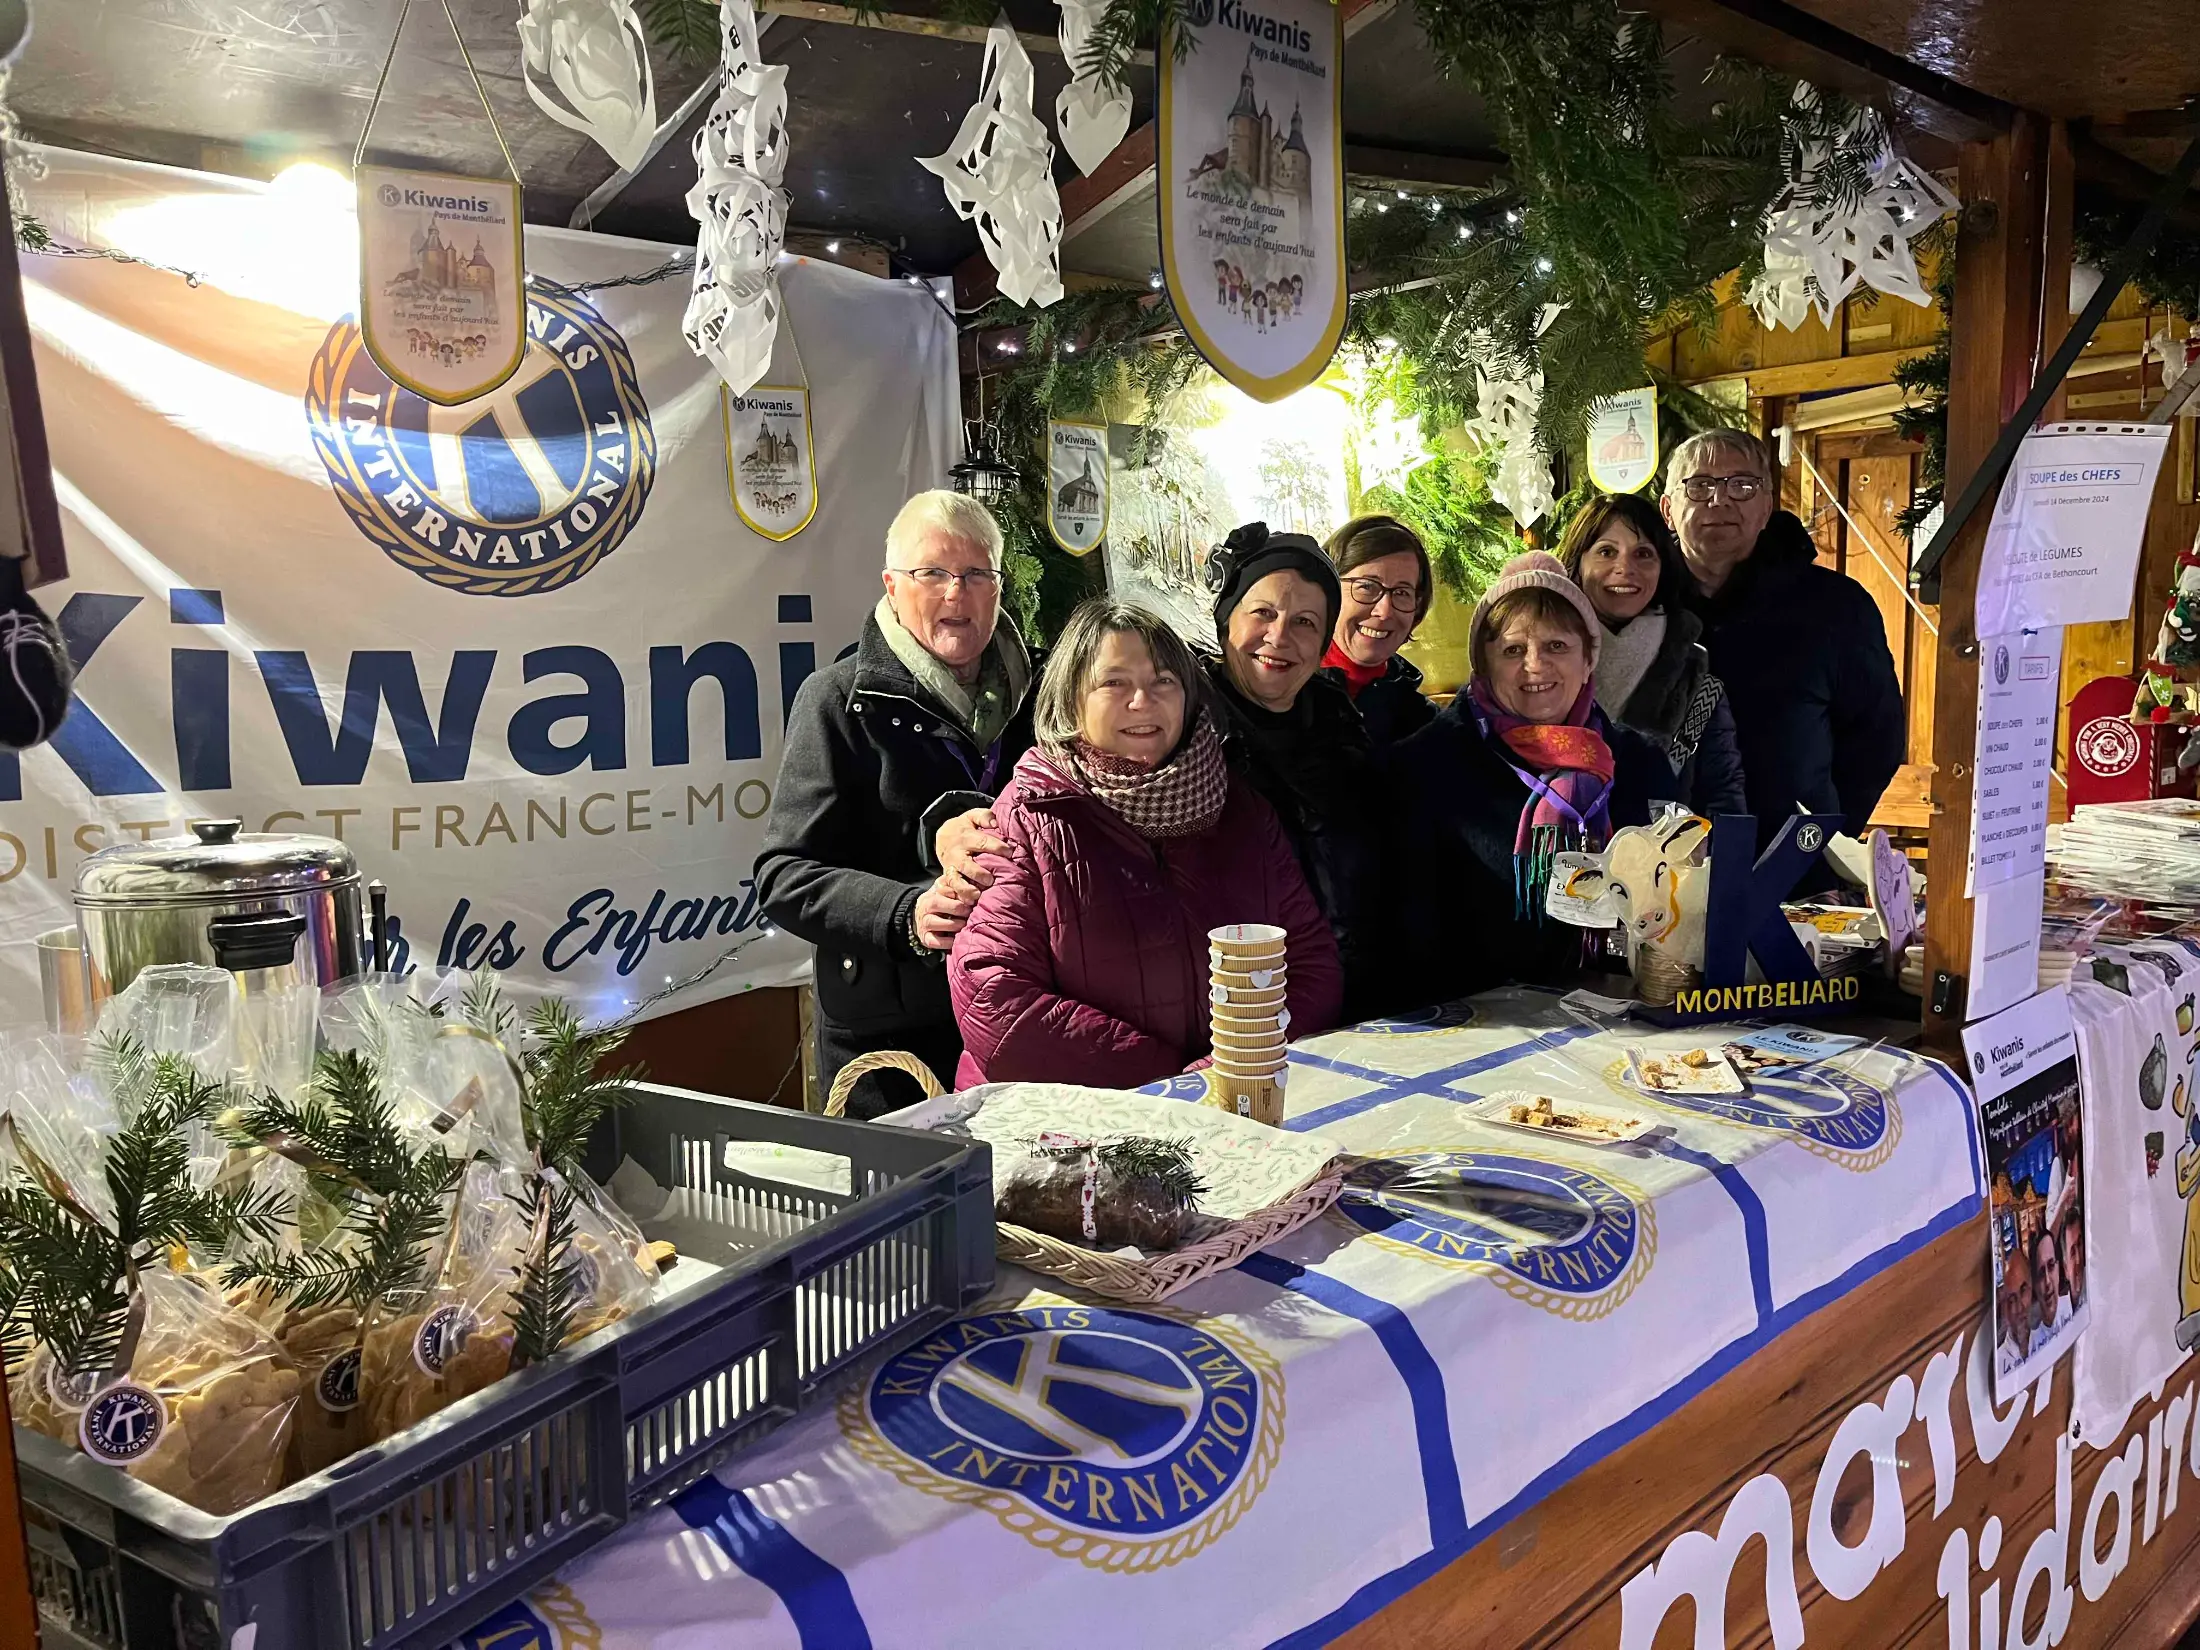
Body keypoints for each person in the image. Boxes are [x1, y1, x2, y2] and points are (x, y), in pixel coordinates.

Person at [949, 600, 1342, 1087]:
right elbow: (995, 999)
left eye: (1164, 681)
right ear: (1072, 699)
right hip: (1067, 1133)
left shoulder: (1241, 812)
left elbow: (1311, 964)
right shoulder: (1027, 820)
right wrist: (1172, 1080)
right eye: (1114, 682)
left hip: (1232, 1106)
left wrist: (1232, 1065)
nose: (1143, 700)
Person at [756, 490, 1036, 1118]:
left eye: (974, 574)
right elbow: (784, 877)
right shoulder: (835, 699)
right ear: (891, 584)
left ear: (998, 584)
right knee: (909, 1212)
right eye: (932, 573)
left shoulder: (1043, 694)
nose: (954, 594)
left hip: (1021, 1011)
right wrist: (907, 912)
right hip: (889, 1042)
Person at [1393, 551, 1671, 997]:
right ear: (1482, 667)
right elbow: (1409, 940)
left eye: (1557, 646)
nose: (1536, 665)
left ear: (1587, 661)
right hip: (1478, 1027)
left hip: (1620, 1016)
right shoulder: (1425, 769)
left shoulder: (1641, 764)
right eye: (1513, 650)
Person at [1659, 430, 1904, 845]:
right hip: (1652, 873)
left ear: (1767, 507)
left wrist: (1825, 837)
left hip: (1793, 866)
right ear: (1668, 510)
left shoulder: (1835, 606)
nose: (1720, 501)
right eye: (1699, 485)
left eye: (1742, 485)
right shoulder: (1640, 606)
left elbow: (1876, 738)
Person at [1200, 522, 1388, 1016]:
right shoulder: (1181, 732)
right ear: (1226, 622)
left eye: (1305, 622)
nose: (1279, 636)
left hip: (1352, 1004)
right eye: (1262, 612)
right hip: (1235, 1009)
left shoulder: (1344, 730)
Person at [1556, 493, 1745, 817]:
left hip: (1663, 862)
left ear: (1663, 568)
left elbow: (1723, 798)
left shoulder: (1694, 678)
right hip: (1550, 859)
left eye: (1643, 554)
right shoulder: (1538, 664)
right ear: (1577, 562)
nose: (1625, 568)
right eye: (1606, 552)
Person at [1320, 513, 1436, 748]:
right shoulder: (1279, 694)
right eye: (1366, 587)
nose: (1384, 611)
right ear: (1326, 589)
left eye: (1402, 592)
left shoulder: (1421, 724)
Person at [2033, 1225, 2074, 1349]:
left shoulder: (2074, 1304)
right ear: (2034, 1285)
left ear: (2058, 1268)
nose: (2047, 1281)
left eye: (2051, 1266)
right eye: (2040, 1273)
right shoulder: (2033, 1343)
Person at [1995, 1250, 2034, 1375]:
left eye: (2023, 1291)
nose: (2019, 1308)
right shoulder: (1999, 1366)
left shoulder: (2049, 1332)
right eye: (2011, 1300)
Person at [2060, 1213, 2087, 1308]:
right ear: (2066, 1268)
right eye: (2072, 1253)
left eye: (2079, 1244)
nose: (2079, 1259)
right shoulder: (2060, 1314)